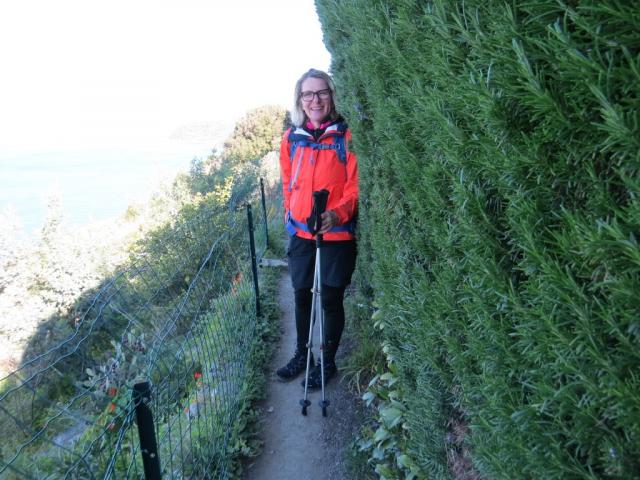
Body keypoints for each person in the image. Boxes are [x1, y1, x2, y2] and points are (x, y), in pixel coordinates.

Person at [276, 68, 358, 389]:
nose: (315, 100)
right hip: (301, 233)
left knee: (330, 299)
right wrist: (289, 212)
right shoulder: (291, 139)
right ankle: (302, 355)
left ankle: (327, 361)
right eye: (308, 94)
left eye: (322, 92)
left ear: (332, 95)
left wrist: (336, 215)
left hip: (336, 234)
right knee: (301, 295)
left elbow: (355, 187)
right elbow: (287, 181)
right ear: (300, 99)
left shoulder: (346, 137)